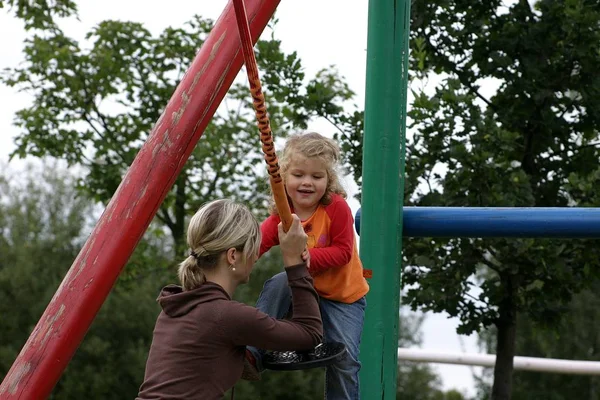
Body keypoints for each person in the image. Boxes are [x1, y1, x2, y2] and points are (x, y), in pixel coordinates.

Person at [136, 199, 323, 400]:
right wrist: (295, 263)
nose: (255, 257)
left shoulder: (175, 309)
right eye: (253, 248)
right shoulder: (226, 316)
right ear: (233, 256)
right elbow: (310, 333)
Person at [246, 132, 369, 399]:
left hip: (343, 298)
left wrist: (310, 257)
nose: (307, 183)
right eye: (299, 174)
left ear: (329, 180)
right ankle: (253, 354)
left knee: (345, 359)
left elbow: (344, 252)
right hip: (305, 293)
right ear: (284, 178)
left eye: (317, 176)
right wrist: (234, 259)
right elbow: (256, 244)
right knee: (278, 283)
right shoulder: (284, 212)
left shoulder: (336, 207)